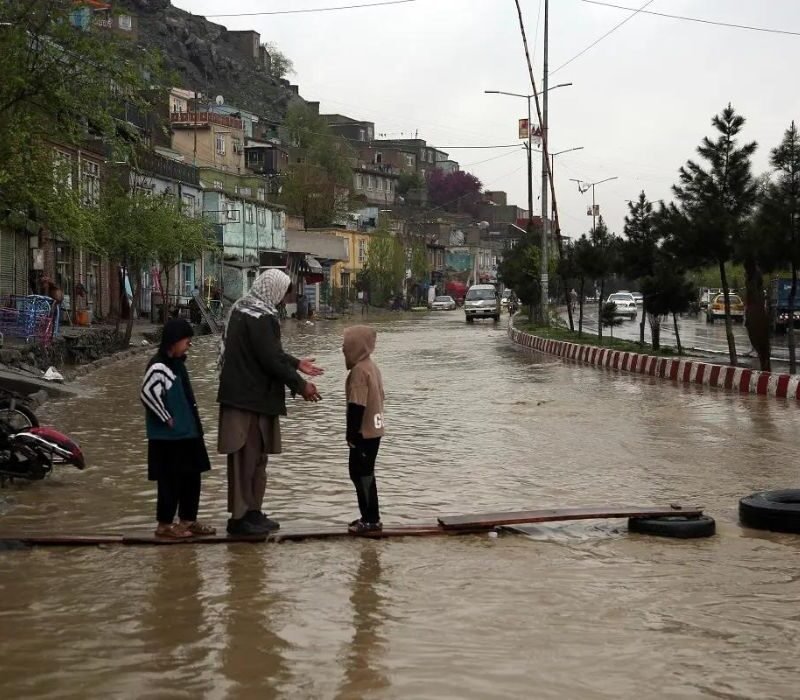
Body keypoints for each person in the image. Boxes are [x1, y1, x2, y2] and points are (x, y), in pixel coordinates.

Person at [217, 269, 323, 536]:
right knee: (246, 460)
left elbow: (269, 352)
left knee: (256, 460)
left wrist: (297, 363)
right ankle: (240, 518)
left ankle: (252, 512)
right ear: (273, 289)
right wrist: (301, 385)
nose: (283, 298)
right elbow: (270, 359)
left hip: (252, 398)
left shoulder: (244, 309)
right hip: (248, 400)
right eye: (283, 292)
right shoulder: (260, 317)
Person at [140, 318, 215, 539]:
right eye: (186, 340)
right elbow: (147, 393)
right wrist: (166, 417)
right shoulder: (159, 366)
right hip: (168, 437)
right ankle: (164, 525)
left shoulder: (177, 363)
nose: (189, 344)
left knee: (192, 477)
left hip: (188, 433)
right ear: (174, 341)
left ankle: (188, 521)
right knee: (169, 480)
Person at [343, 325, 385, 535]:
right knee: (363, 473)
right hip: (374, 431)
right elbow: (382, 397)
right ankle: (368, 516)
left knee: (362, 474)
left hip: (364, 433)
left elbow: (357, 406)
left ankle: (371, 519)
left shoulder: (360, 371)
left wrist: (351, 434)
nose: (343, 348)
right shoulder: (371, 366)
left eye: (345, 344)